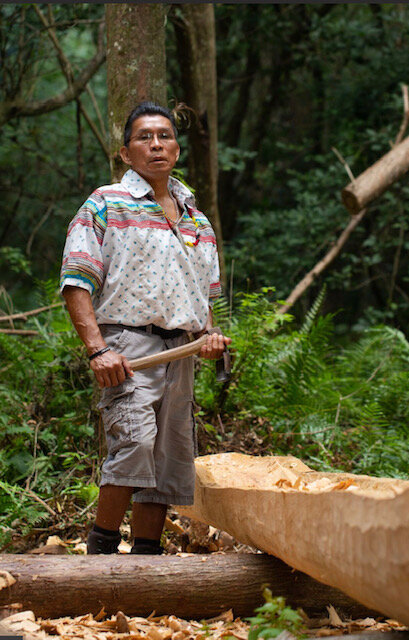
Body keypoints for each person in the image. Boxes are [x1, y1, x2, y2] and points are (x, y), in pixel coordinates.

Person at [60, 101, 231, 555]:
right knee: (134, 443)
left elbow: (204, 297)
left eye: (164, 136)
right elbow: (76, 279)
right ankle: (100, 553)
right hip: (127, 348)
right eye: (144, 138)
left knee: (169, 459)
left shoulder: (197, 218)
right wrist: (98, 350)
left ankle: (147, 562)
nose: (156, 144)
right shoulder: (106, 203)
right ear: (125, 152)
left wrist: (208, 336)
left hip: (180, 354)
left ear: (176, 148)